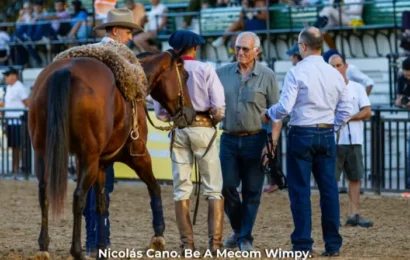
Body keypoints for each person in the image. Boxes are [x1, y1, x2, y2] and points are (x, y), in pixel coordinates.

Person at [264, 26, 353, 256]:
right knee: (329, 190)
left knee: (300, 191)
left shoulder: (297, 72)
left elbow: (284, 108)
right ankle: (332, 244)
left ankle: (303, 245)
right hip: (326, 133)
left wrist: (269, 112)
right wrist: (334, 126)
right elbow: (346, 108)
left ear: (303, 46)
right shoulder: (335, 73)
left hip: (301, 133)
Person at [153, 30, 226, 255]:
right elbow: (220, 107)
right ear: (194, 48)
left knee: (181, 188)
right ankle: (214, 245)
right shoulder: (205, 69)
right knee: (213, 188)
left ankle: (188, 245)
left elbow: (160, 113)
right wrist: (214, 118)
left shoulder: (166, 72)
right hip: (204, 128)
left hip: (179, 130)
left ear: (175, 49)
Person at [83, 8, 143, 256]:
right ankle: (101, 239)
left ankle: (91, 238)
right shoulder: (121, 57)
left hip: (87, 134)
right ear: (116, 31)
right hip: (110, 134)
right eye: (128, 32)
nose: (130, 37)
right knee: (103, 187)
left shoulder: (89, 55)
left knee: (87, 186)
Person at [216, 31, 282, 251]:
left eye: (245, 48)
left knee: (253, 191)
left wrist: (271, 145)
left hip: (256, 140)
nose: (240, 52)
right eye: (237, 48)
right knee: (227, 187)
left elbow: (276, 114)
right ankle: (238, 229)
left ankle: (244, 237)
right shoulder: (221, 73)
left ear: (257, 50)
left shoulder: (268, 75)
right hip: (228, 140)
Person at [329, 53, 373, 228]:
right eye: (332, 67)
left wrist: (348, 118)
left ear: (345, 66)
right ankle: (332, 216)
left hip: (354, 139)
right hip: (333, 141)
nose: (336, 69)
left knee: (355, 177)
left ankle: (354, 214)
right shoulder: (325, 89)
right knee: (331, 179)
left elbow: (367, 111)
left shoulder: (357, 87)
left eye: (338, 65)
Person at [0, 67, 30, 173]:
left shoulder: (20, 87)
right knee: (13, 145)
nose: (5, 78)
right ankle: (14, 167)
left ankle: (20, 167)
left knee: (19, 145)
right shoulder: (9, 87)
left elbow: (27, 103)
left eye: (7, 75)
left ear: (14, 76)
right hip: (10, 120)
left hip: (18, 121)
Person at [394, 57, 410, 197]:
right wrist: (401, 101)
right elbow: (398, 100)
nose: (408, 77)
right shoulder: (401, 79)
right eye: (406, 74)